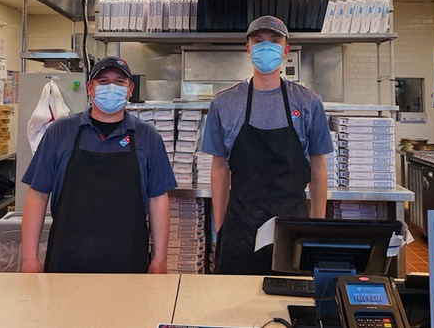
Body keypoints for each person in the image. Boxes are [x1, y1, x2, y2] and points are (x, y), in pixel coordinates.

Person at [201, 15, 333, 275]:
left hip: (293, 230)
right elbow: (219, 168)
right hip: (240, 230)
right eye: (258, 41)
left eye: (274, 41)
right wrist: (221, 228)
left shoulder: (308, 102)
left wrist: (317, 227)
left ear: (285, 50)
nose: (266, 47)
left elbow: (318, 167)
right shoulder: (224, 103)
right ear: (248, 49)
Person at [21, 56, 177, 274]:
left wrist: (160, 259)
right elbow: (37, 194)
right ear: (90, 89)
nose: (111, 87)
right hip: (67, 260)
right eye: (103, 82)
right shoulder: (60, 132)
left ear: (130, 89)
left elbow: (158, 199)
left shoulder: (147, 137)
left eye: (119, 82)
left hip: (129, 260)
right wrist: (30, 259)